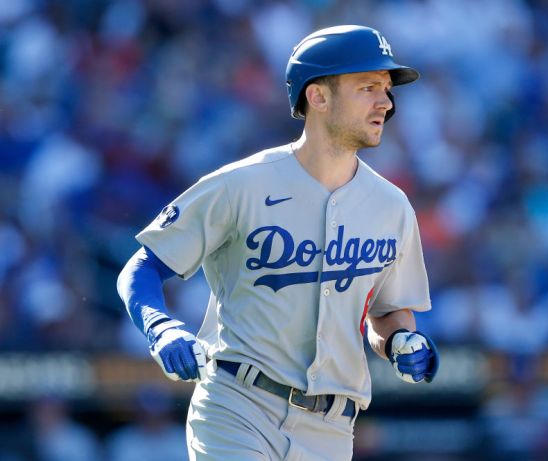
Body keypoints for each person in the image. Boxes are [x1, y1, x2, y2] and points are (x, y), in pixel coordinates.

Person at [117, 24, 439, 461]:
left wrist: (402, 341)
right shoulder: (242, 184)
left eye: (386, 89)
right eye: (368, 87)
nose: (386, 101)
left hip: (332, 429)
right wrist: (160, 326)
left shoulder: (392, 205)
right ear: (318, 96)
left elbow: (385, 313)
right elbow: (142, 266)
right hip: (238, 408)